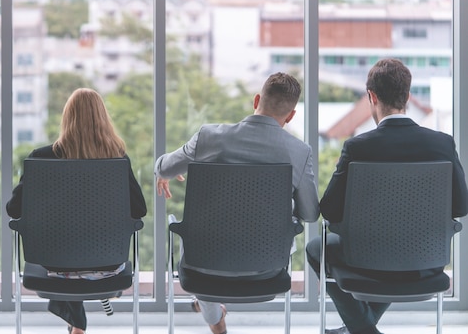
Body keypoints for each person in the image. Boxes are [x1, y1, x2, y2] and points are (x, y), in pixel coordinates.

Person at [306, 58, 468, 334]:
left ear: (372, 96)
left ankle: (363, 329)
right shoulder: (442, 143)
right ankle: (362, 326)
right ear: (407, 95)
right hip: (424, 260)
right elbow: (461, 206)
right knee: (397, 249)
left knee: (315, 248)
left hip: (367, 261)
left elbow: (330, 211)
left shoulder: (358, 147)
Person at [155, 72, 320, 334]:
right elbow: (310, 214)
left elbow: (164, 166)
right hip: (266, 268)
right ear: (290, 116)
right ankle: (215, 315)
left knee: (205, 249)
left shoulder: (209, 137)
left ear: (256, 100)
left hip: (204, 266)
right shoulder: (299, 152)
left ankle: (215, 319)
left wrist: (162, 173)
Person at [7, 88, 147, 334]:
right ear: (103, 119)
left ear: (66, 118)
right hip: (108, 261)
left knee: (64, 249)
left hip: (56, 264)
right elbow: (139, 210)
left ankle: (76, 321)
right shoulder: (118, 159)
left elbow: (13, 209)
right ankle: (77, 322)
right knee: (75, 247)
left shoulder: (42, 158)